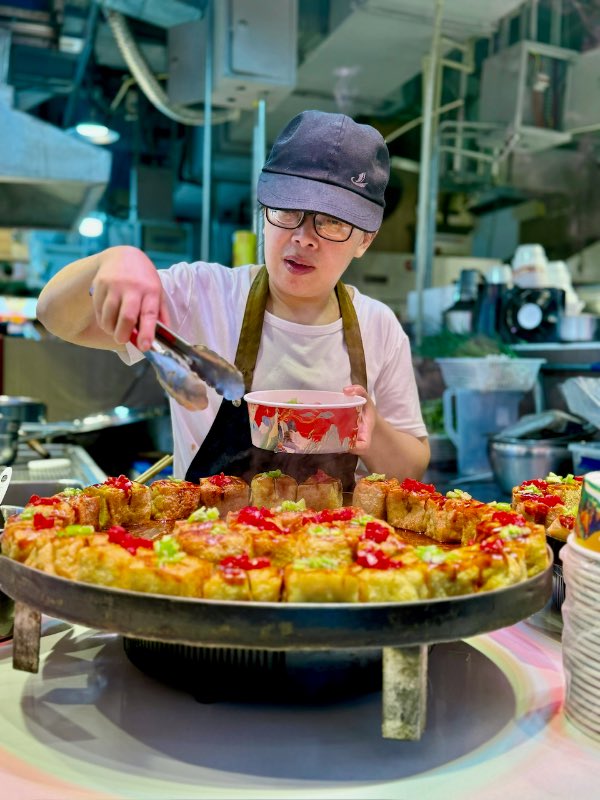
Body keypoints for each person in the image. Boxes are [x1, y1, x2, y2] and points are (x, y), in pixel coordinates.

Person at [36, 110, 430, 489]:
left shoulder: (379, 326)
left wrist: (370, 428)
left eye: (333, 222)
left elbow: (412, 468)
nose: (304, 236)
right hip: (207, 547)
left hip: (334, 549)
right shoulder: (199, 295)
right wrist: (113, 259)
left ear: (365, 239)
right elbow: (55, 316)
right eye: (288, 209)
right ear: (263, 210)